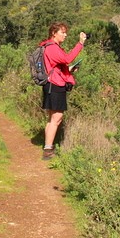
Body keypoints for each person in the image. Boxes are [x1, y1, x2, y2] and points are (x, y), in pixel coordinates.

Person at [39, 22, 87, 160]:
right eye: (63, 32)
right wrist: (80, 43)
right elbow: (67, 59)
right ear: (54, 33)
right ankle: (48, 150)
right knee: (57, 118)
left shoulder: (50, 47)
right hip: (55, 86)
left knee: (52, 118)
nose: (65, 35)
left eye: (66, 32)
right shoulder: (52, 48)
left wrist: (69, 69)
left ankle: (47, 147)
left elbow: (57, 66)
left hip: (51, 84)